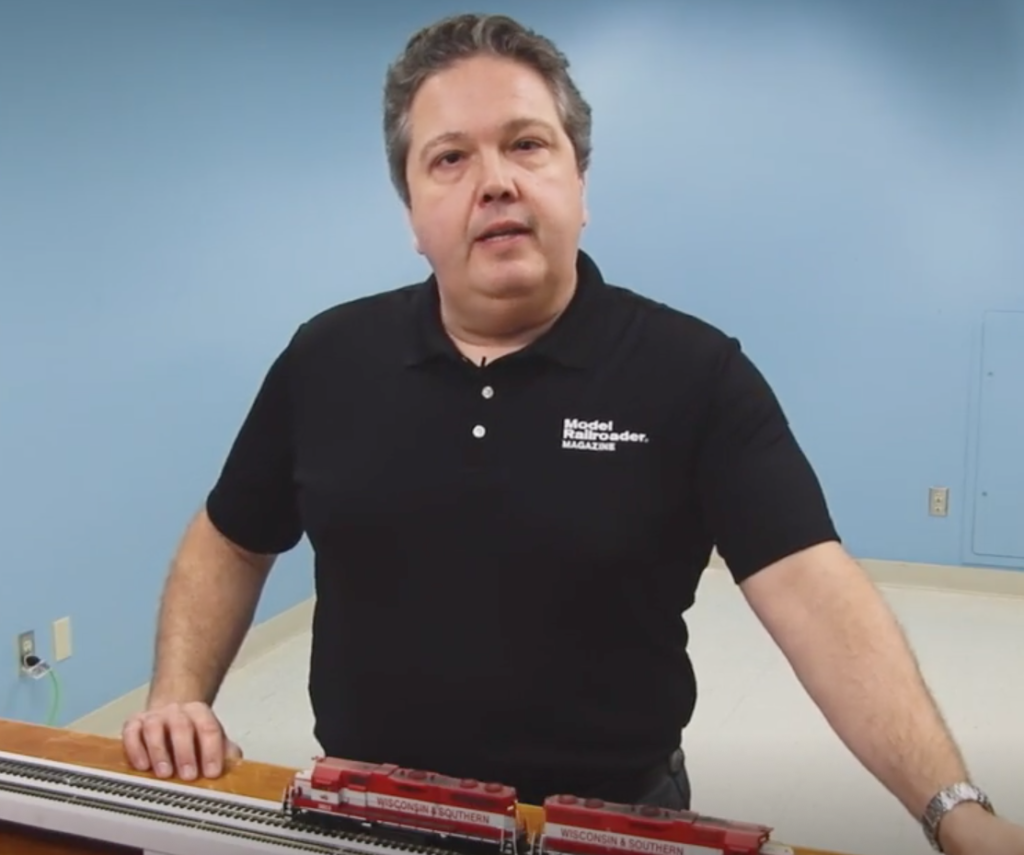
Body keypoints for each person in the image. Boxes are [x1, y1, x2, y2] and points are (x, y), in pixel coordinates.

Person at [122, 13, 1022, 855]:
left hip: (612, 820)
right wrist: (176, 695)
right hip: (369, 810)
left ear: (578, 184)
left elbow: (816, 594)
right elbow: (229, 535)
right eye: (449, 160)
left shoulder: (694, 374)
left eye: (526, 144)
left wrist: (955, 811)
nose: (496, 181)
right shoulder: (325, 359)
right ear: (411, 215)